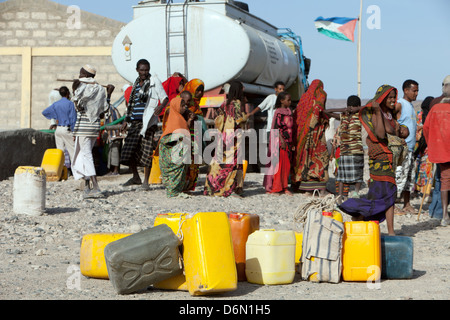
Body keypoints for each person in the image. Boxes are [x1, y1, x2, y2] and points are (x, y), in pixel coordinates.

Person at [338, 85, 401, 236]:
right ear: (382, 99)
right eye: (389, 97)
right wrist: (378, 111)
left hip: (387, 158)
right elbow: (380, 134)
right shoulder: (377, 113)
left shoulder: (388, 114)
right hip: (381, 158)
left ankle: (360, 216)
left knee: (380, 195)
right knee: (389, 194)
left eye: (394, 97)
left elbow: (393, 131)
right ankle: (390, 231)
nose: (393, 100)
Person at [120, 59, 169, 190]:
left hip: (148, 122)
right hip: (135, 122)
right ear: (137, 70)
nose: (144, 72)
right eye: (142, 70)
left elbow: (165, 98)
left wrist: (161, 107)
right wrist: (126, 119)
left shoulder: (154, 82)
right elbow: (132, 104)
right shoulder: (135, 85)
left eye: (146, 70)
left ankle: (145, 182)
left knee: (147, 151)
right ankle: (135, 176)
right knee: (129, 151)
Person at [71, 64, 115, 198]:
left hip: (83, 127)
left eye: (81, 73)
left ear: (85, 75)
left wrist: (74, 90)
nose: (79, 75)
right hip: (94, 127)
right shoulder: (100, 90)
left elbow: (78, 107)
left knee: (86, 155)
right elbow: (104, 110)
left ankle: (95, 186)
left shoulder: (82, 88)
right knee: (83, 155)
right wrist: (109, 94)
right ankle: (86, 186)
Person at [204, 80, 248, 197]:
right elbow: (238, 120)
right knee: (233, 162)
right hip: (234, 137)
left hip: (224, 136)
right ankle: (232, 187)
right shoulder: (238, 103)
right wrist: (245, 117)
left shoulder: (225, 103)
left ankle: (213, 186)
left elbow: (218, 117)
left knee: (220, 161)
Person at [292, 79, 330, 195]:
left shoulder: (304, 97)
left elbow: (297, 113)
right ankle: (320, 188)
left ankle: (305, 188)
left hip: (302, 134)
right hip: (315, 133)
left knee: (305, 159)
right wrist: (325, 119)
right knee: (321, 157)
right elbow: (318, 111)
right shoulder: (321, 94)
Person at [324, 95, 365, 201]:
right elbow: (326, 112)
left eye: (354, 106)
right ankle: (340, 195)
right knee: (342, 175)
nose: (351, 109)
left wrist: (358, 109)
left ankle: (356, 192)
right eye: (349, 106)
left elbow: (370, 107)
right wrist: (342, 109)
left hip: (356, 150)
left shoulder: (360, 116)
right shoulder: (343, 116)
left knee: (358, 173)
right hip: (345, 151)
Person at [423, 80, 450, 226]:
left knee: (443, 181)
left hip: (440, 151)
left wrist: (432, 144)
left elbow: (426, 129)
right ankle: (443, 214)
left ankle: (443, 214)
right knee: (443, 181)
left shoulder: (435, 108)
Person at [159, 94, 196, 198]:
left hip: (180, 151)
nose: (185, 108)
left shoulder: (181, 118)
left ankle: (178, 190)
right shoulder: (174, 119)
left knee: (182, 169)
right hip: (171, 152)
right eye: (182, 106)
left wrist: (189, 121)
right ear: (176, 106)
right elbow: (167, 137)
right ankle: (172, 191)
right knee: (175, 169)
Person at [395, 79, 419, 214]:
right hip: (401, 149)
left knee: (409, 179)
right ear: (406, 90)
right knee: (399, 177)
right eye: (414, 91)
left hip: (411, 149)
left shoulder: (410, 106)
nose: (416, 94)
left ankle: (407, 204)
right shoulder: (400, 104)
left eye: (417, 91)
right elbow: (391, 121)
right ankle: (391, 205)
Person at [263, 91, 294, 196]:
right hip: (280, 142)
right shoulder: (279, 112)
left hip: (288, 141)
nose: (290, 102)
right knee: (279, 165)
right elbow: (276, 128)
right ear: (282, 101)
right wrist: (281, 140)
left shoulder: (289, 111)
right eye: (288, 100)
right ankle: (276, 187)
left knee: (286, 166)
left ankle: (284, 186)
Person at [42, 86, 77, 167]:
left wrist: (56, 117)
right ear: (68, 93)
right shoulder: (70, 104)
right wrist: (74, 132)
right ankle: (76, 173)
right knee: (73, 152)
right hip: (66, 129)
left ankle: (61, 171)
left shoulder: (56, 104)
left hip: (58, 130)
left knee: (60, 152)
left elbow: (45, 112)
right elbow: (73, 119)